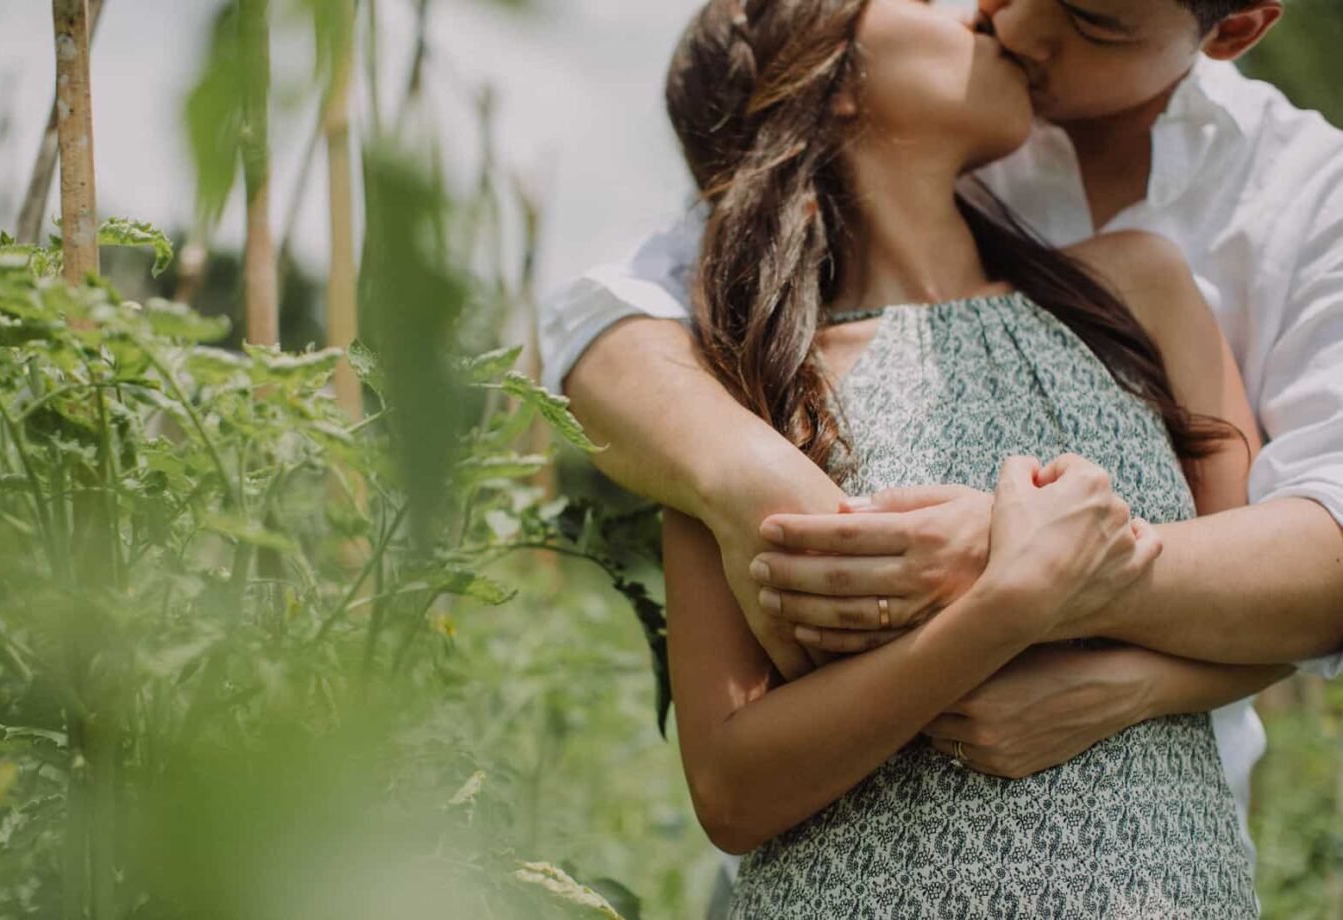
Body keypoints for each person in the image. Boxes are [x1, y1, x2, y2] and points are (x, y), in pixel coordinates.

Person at [541, 0, 1343, 874]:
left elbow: (1299, 582)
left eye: (1092, 20)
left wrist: (1054, 590)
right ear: (834, 86)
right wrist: (758, 478)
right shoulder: (742, 381)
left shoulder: (1186, 259)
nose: (1009, 26)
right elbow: (604, 318)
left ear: (1234, 29)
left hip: (1155, 866)